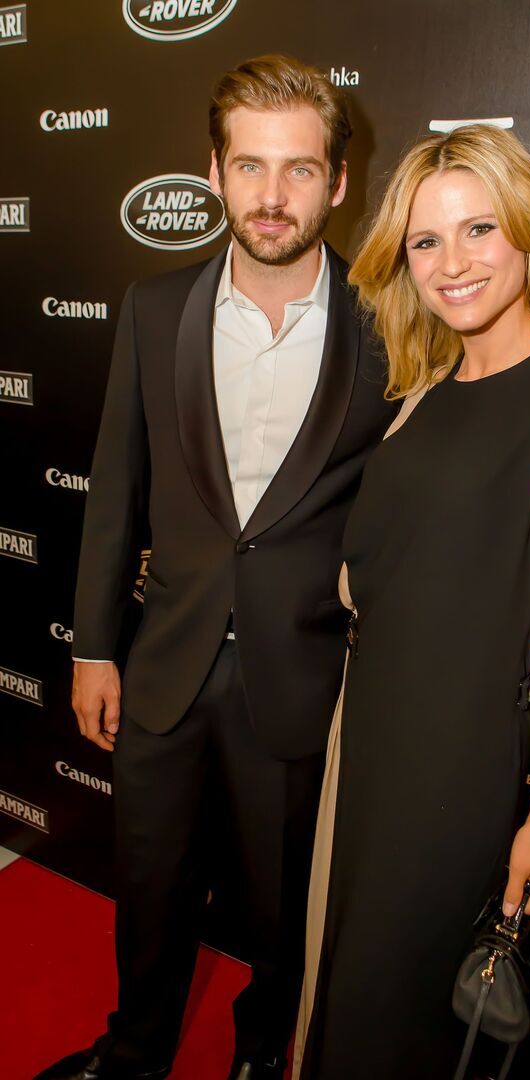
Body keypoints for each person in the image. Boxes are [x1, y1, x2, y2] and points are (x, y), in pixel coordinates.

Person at [35, 55, 394, 1080]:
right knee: (149, 887)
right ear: (215, 172)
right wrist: (94, 648)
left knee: (283, 905)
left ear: (337, 182)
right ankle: (134, 1051)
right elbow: (116, 488)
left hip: (305, 674)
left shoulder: (389, 325)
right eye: (250, 166)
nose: (272, 196)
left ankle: (262, 1055)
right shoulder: (154, 308)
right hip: (165, 664)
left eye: (298, 169)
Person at [293, 124, 530, 1079]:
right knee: (346, 991)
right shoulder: (423, 394)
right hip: (367, 738)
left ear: (526, 232)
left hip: (458, 765)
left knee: (402, 1021)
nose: (452, 263)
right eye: (426, 240)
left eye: (478, 228)